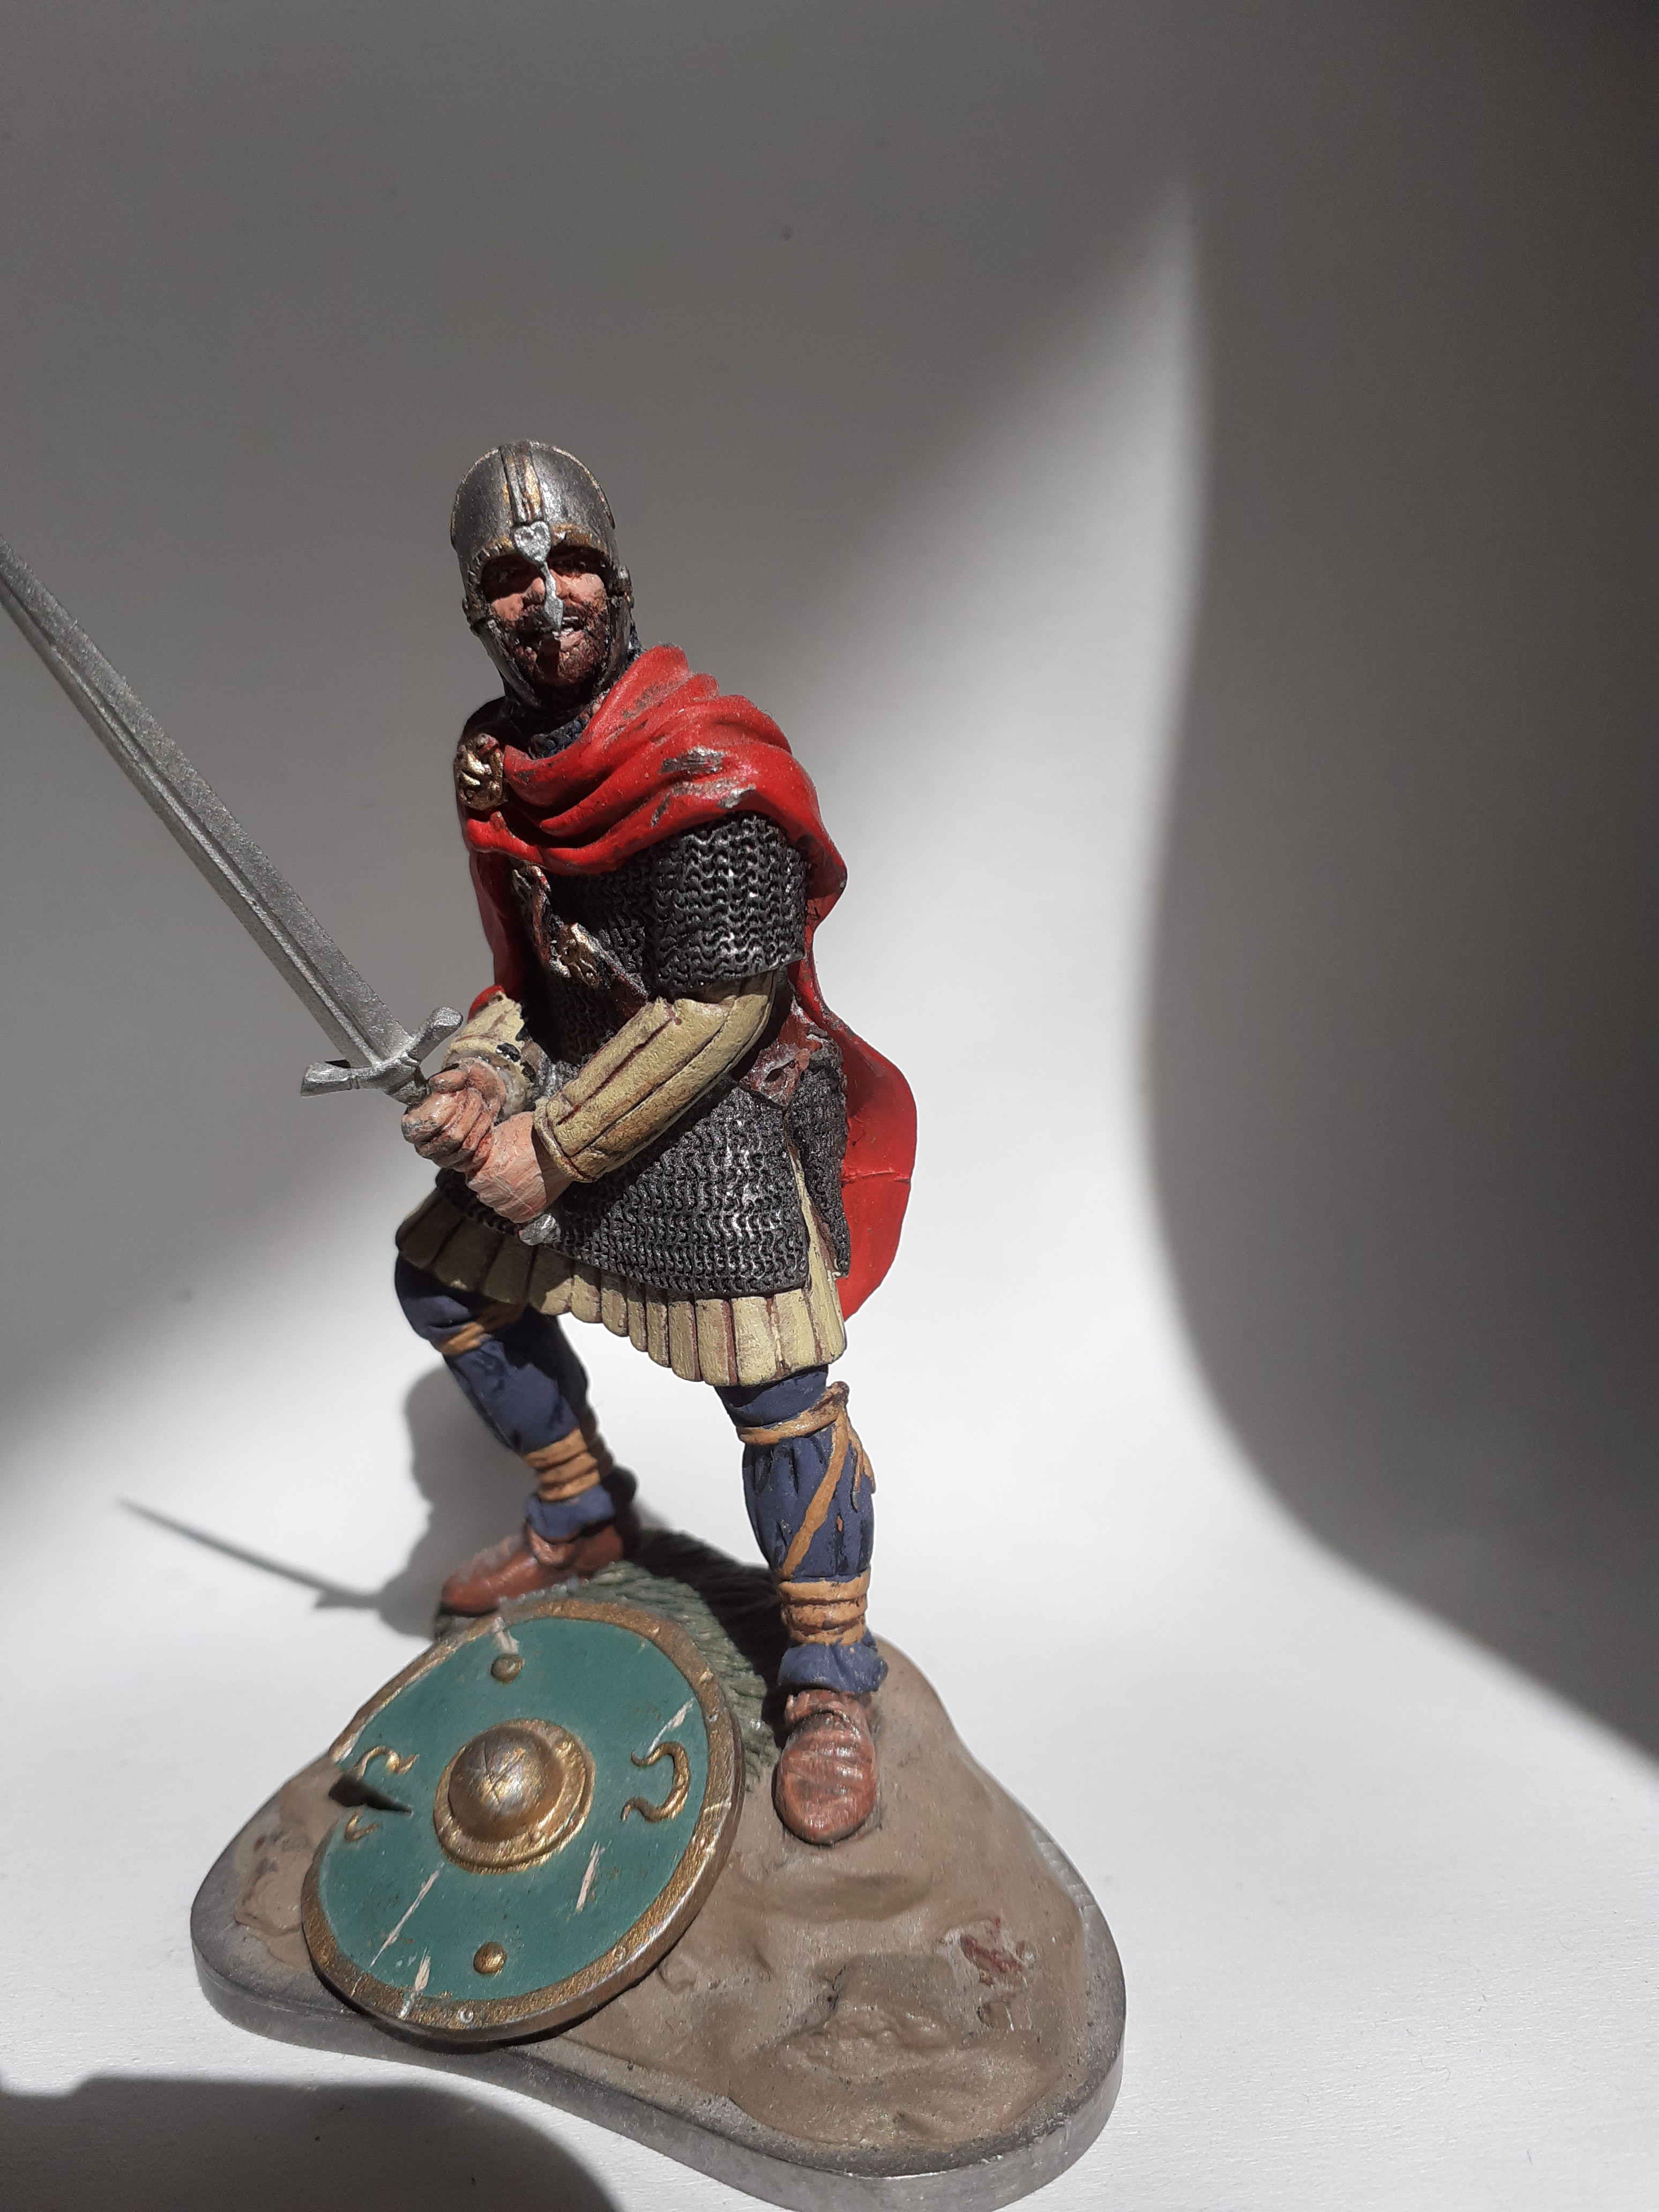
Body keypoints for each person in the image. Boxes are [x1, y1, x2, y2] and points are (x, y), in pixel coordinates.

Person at [395, 443, 915, 1844]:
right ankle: (582, 1517)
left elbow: (722, 1004)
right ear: (476, 609)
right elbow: (533, 979)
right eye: (511, 579)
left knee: (782, 1394)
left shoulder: (704, 762)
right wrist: (480, 1074)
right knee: (443, 1282)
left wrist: (553, 1148)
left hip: (718, 1115)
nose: (545, 597)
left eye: (568, 564)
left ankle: (829, 1680)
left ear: (617, 580)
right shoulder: (499, 764)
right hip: (577, 1087)